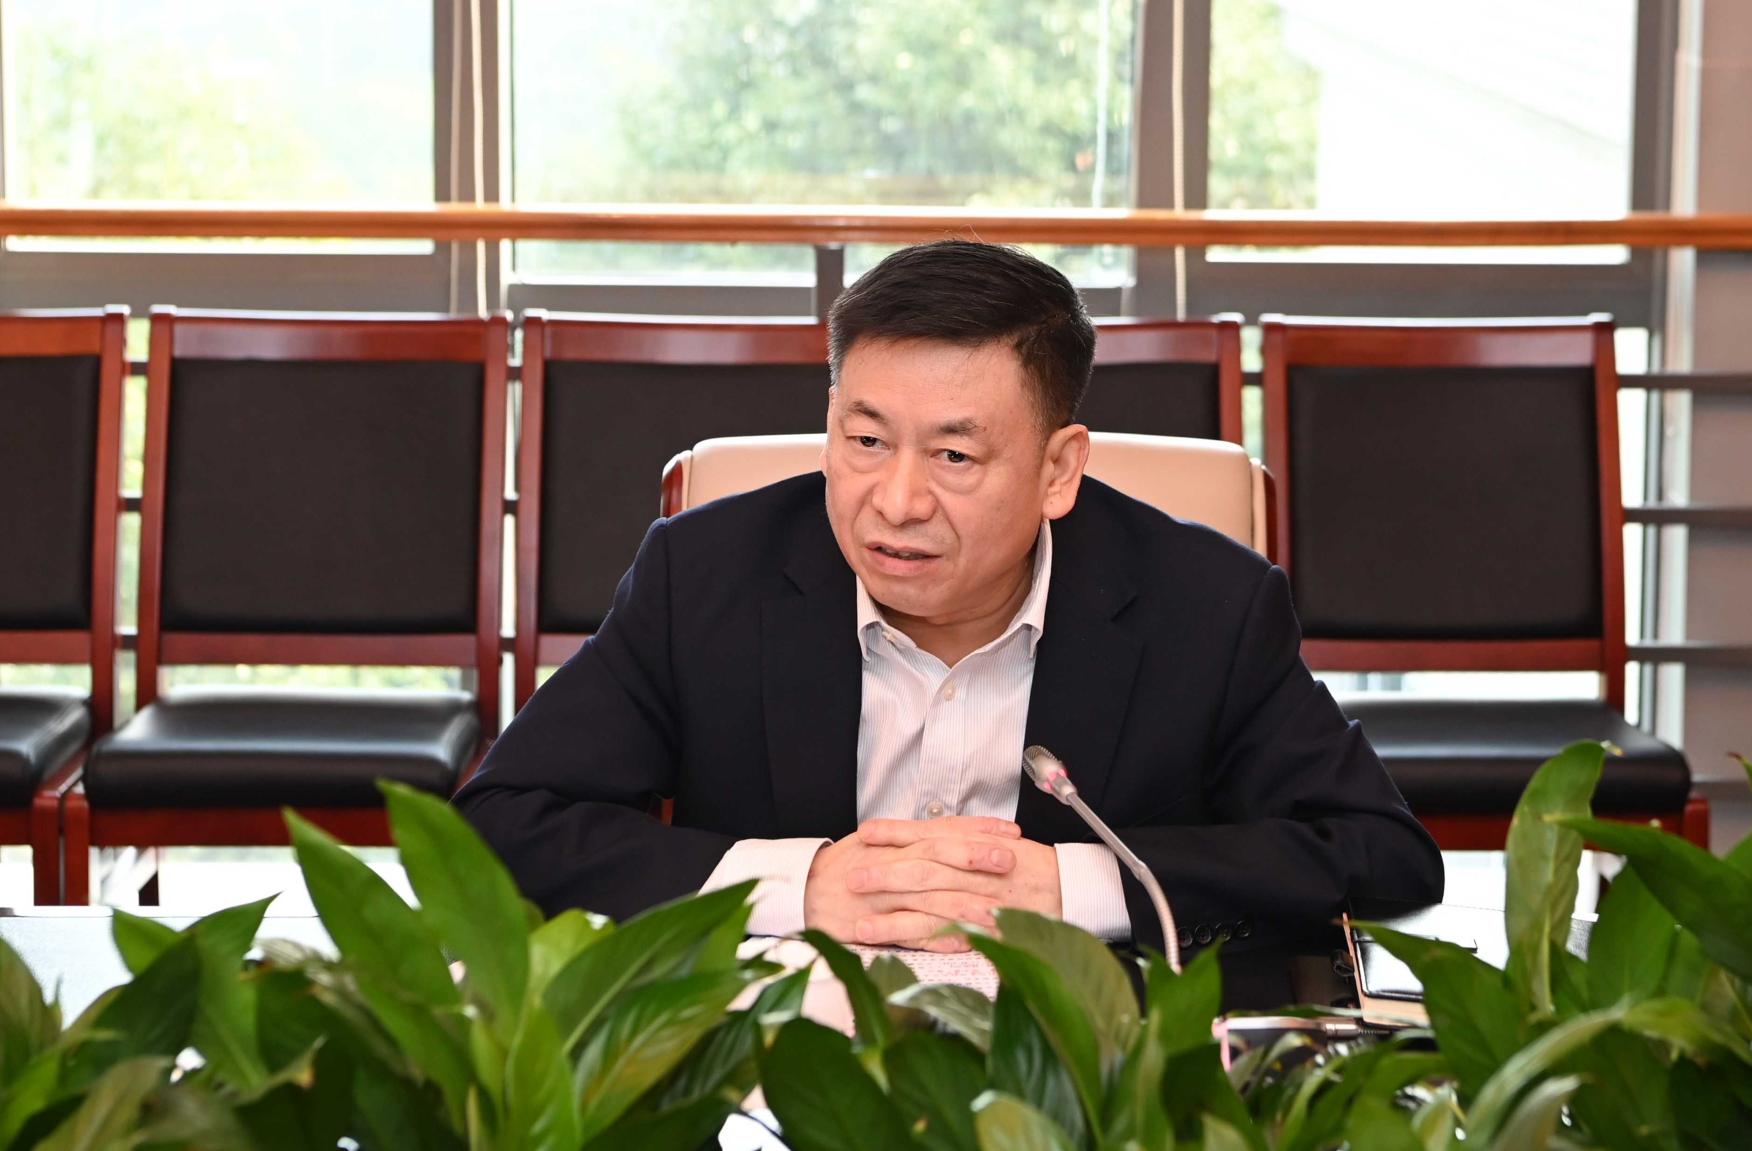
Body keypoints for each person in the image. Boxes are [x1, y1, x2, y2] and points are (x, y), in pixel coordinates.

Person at [455, 239, 1442, 1004]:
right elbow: (502, 821)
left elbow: (1378, 850)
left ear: (1058, 469)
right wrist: (796, 883)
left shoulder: (1206, 603)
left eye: (955, 457)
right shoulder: (706, 573)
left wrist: (1077, 888)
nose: (896, 501)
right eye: (865, 439)